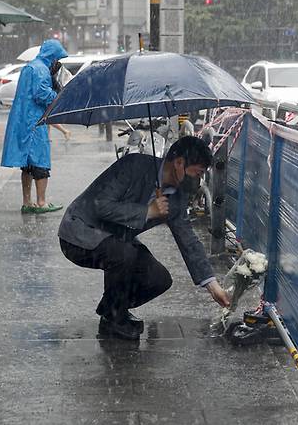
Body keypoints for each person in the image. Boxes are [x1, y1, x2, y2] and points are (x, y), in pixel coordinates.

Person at [58, 136, 231, 340]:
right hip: (79, 233)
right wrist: (146, 212)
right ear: (179, 163)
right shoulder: (133, 166)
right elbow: (100, 205)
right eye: (198, 172)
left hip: (116, 239)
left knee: (158, 279)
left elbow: (188, 240)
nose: (199, 180)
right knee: (125, 255)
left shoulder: (176, 197)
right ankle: (114, 319)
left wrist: (212, 286)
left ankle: (111, 309)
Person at [0, 39, 68, 214]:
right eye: (57, 57)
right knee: (41, 162)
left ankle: (27, 202)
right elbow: (42, 95)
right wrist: (58, 94)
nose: (57, 61)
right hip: (35, 122)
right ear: (52, 56)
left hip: (23, 120)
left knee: (27, 165)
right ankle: (42, 202)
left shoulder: (29, 67)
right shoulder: (41, 70)